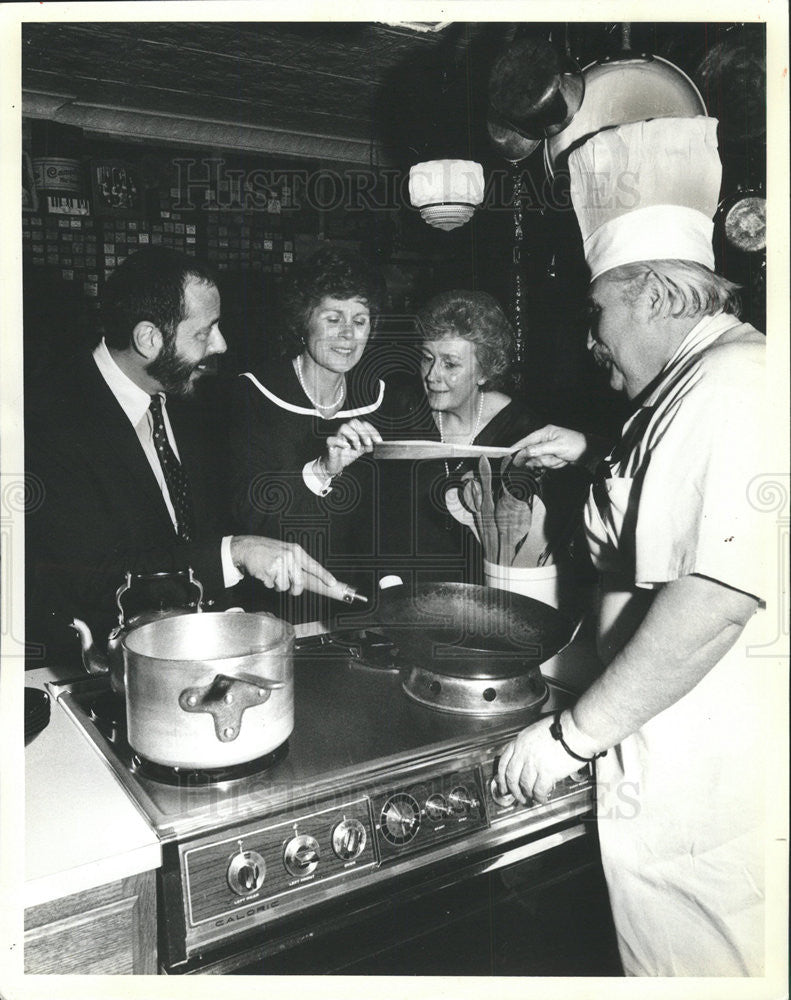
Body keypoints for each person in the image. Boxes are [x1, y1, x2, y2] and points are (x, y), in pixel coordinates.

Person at [497, 117, 768, 976]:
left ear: (653, 295)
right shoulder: (683, 392)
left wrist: (570, 737)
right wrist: (589, 462)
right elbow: (650, 542)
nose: (590, 337)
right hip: (667, 773)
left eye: (598, 311)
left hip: (712, 801)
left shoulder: (735, 384)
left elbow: (714, 599)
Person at [25, 247, 340, 668]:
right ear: (149, 339)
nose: (221, 344)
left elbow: (199, 530)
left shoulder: (188, 398)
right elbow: (92, 577)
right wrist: (237, 553)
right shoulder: (47, 421)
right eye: (204, 331)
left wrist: (232, 616)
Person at [375, 289, 588, 584]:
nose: (432, 375)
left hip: (484, 600)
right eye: (427, 359)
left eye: (450, 364)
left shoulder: (523, 432)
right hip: (404, 593)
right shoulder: (401, 412)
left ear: (484, 372)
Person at [226, 246, 386, 622]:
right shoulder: (250, 395)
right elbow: (249, 518)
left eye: (360, 321)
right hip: (270, 606)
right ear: (303, 321)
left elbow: (385, 520)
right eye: (333, 318)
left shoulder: (381, 400)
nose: (348, 334)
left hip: (356, 606)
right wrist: (321, 471)